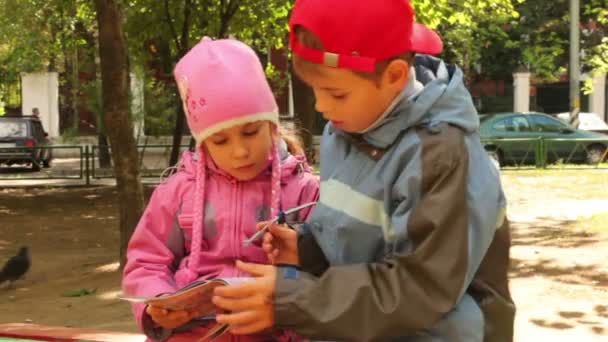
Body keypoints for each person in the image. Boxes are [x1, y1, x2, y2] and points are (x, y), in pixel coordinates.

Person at [211, 0, 515, 341]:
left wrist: (293, 300)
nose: (322, 107)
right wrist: (309, 250)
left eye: (337, 94)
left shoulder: (442, 155)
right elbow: (366, 240)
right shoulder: (346, 129)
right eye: (315, 89)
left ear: (394, 76)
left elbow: (422, 286)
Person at [122, 37, 319, 342]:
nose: (240, 151)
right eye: (220, 140)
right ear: (202, 142)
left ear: (272, 125)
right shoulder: (177, 192)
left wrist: (283, 293)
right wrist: (157, 303)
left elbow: (323, 273)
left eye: (250, 132)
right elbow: (147, 261)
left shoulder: (305, 192)